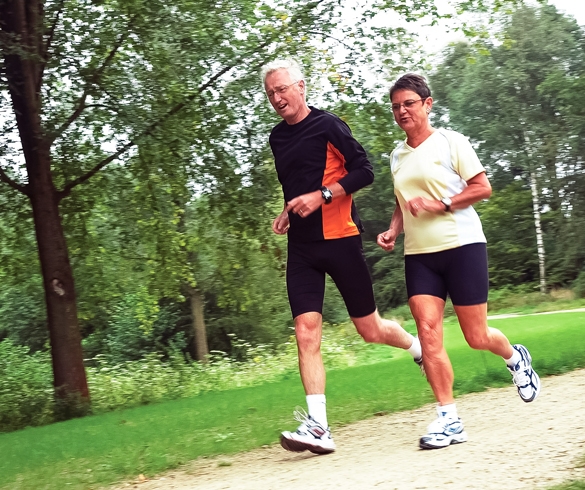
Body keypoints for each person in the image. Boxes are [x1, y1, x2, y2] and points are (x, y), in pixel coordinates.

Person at [260, 59, 424, 455]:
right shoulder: (276, 138)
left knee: (369, 330)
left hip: (340, 240)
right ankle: (319, 426)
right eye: (270, 94)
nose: (277, 98)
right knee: (305, 331)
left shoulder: (329, 126)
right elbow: (297, 184)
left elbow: (364, 171)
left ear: (301, 86)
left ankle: (414, 345)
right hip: (302, 248)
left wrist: (323, 195)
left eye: (282, 89)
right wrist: (288, 209)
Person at [377, 73, 541, 450]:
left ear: (427, 104)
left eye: (409, 103)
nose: (402, 111)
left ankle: (516, 357)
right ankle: (449, 419)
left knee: (476, 336)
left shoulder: (451, 142)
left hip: (462, 246)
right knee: (429, 335)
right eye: (396, 106)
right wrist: (393, 229)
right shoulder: (397, 155)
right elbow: (403, 200)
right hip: (419, 256)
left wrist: (442, 204)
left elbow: (482, 187)